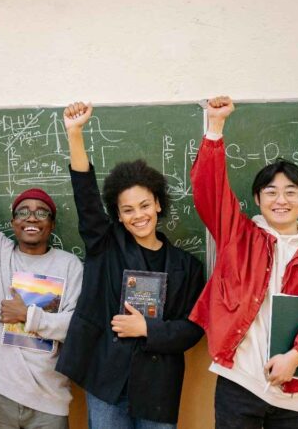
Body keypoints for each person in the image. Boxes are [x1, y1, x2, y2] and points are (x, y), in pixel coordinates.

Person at [188, 97, 298, 428]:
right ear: (257, 199)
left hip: (296, 391)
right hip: (239, 382)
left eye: (291, 192)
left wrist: (297, 356)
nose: (281, 200)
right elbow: (210, 191)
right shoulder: (239, 236)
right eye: (271, 192)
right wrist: (215, 126)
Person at [55, 102, 205, 428]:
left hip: (158, 388)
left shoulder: (188, 267)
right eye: (128, 210)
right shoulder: (106, 246)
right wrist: (75, 133)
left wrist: (148, 329)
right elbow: (86, 198)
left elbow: (193, 328)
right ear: (119, 216)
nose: (138, 215)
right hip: (107, 381)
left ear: (158, 204)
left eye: (144, 205)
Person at [0, 111, 83, 428]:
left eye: (41, 213)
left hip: (49, 398)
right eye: (23, 212)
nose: (32, 217)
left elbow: (76, 326)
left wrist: (29, 316)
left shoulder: (69, 265)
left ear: (52, 224)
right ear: (13, 223)